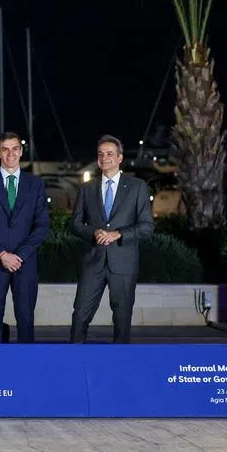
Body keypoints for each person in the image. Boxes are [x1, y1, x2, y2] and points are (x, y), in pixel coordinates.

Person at [69, 135, 153, 343]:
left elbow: (147, 226)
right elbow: (74, 224)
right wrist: (93, 233)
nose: (104, 158)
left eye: (109, 154)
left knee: (122, 320)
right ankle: (72, 363)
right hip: (93, 262)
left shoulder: (137, 187)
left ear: (119, 158)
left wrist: (119, 234)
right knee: (80, 316)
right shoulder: (87, 189)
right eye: (100, 154)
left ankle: (120, 367)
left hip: (123, 263)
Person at [0, 131, 50, 342]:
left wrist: (20, 255)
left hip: (25, 263)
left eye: (15, 149)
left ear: (21, 151)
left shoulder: (35, 184)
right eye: (5, 149)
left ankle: (26, 371)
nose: (10, 154)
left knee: (25, 322)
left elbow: (42, 225)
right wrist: (2, 254)